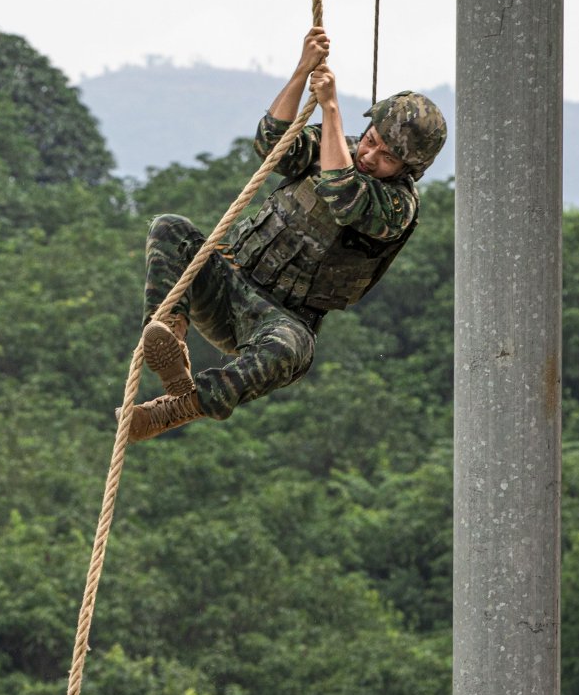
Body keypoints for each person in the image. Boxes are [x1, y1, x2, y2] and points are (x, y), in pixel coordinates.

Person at [125, 27, 447, 441]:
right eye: (371, 141)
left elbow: (341, 191)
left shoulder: (398, 207)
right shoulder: (336, 146)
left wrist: (331, 110)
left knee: (289, 351)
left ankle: (179, 406)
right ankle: (171, 336)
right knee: (170, 228)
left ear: (408, 169)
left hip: (283, 320)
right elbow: (271, 144)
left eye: (387, 157)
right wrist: (301, 73)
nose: (368, 155)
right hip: (230, 281)